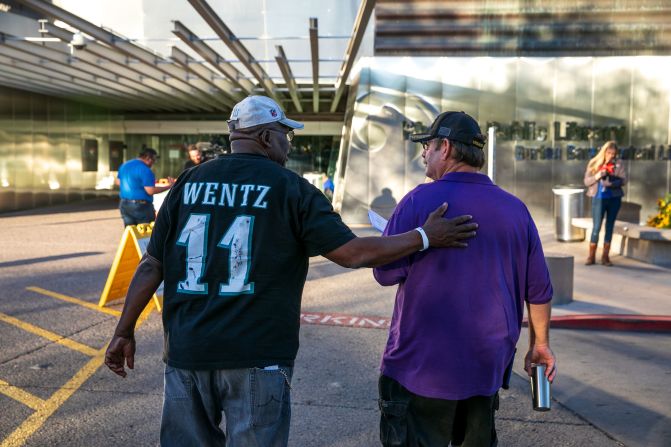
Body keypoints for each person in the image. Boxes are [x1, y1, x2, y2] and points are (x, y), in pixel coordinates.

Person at [104, 96, 479, 447]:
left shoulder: (188, 182)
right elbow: (352, 253)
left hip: (187, 352)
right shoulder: (291, 189)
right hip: (257, 355)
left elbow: (152, 264)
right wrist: (424, 237)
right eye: (286, 135)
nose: (290, 144)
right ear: (266, 137)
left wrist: (124, 331)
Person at [373, 111, 557, 447]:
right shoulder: (515, 209)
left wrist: (411, 238)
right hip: (485, 370)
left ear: (444, 147)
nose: (423, 154)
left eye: (426, 146)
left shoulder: (418, 200)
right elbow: (540, 290)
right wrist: (540, 345)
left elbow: (384, 273)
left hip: (419, 369)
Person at [583, 141, 627, 266]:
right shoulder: (594, 163)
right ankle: (591, 256)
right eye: (609, 153)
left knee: (609, 226)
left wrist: (612, 184)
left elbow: (624, 180)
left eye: (613, 153)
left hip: (614, 198)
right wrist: (597, 176)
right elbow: (586, 181)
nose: (611, 156)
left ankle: (605, 257)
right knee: (596, 227)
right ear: (604, 152)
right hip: (598, 198)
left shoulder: (618, 164)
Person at [115, 147, 175, 226]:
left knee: (131, 231)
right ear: (148, 158)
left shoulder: (125, 165)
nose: (153, 163)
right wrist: (169, 186)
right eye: (153, 160)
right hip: (141, 206)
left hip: (124, 204)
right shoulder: (145, 170)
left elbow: (118, 182)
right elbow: (150, 191)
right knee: (146, 233)